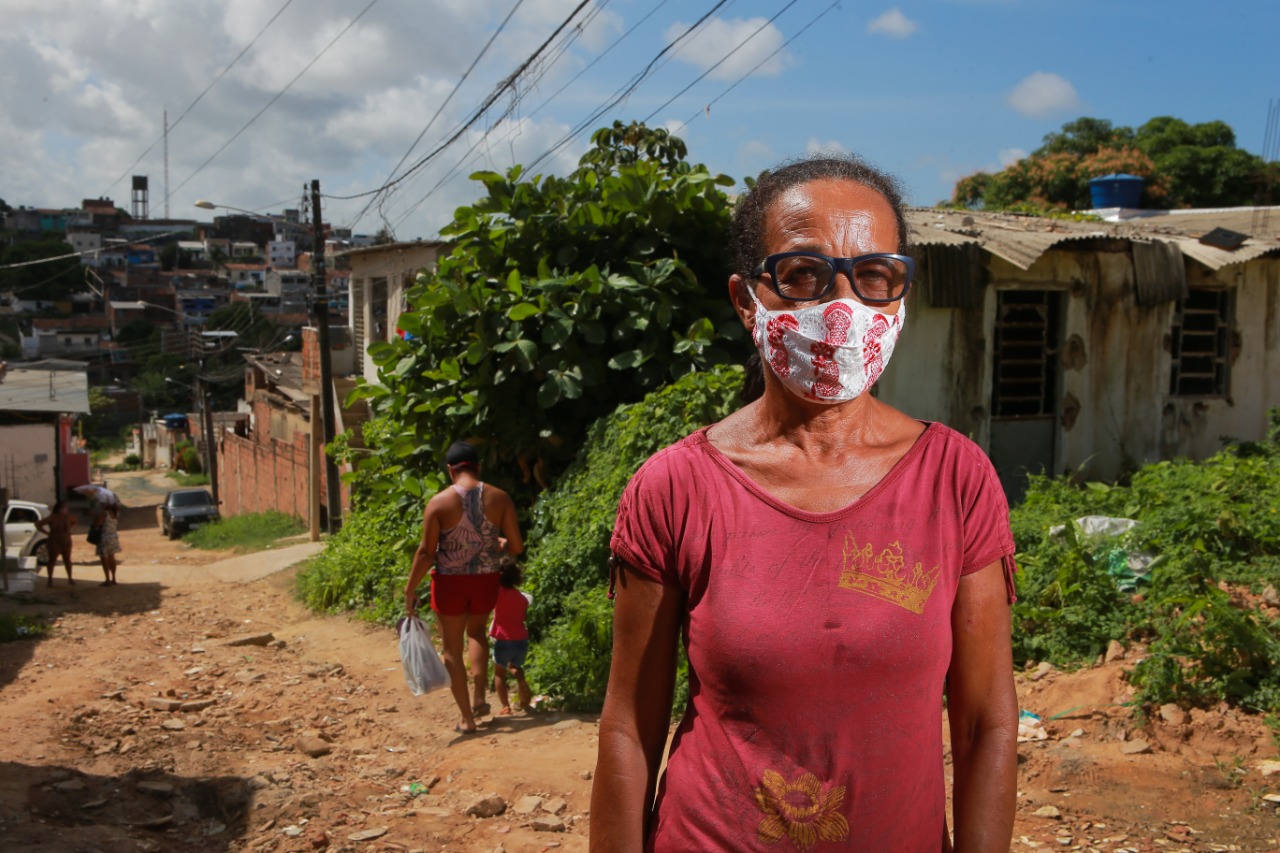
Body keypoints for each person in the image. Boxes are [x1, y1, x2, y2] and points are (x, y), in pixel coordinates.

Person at [590, 154, 1018, 852]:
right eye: (802, 274)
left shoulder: (957, 481)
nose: (841, 307)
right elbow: (627, 729)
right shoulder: (675, 488)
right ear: (744, 297)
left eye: (874, 275)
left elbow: (985, 725)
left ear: (900, 294)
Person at [404, 440, 524, 735]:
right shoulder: (501, 498)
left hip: (450, 583)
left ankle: (467, 718)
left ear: (450, 470)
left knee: (452, 650)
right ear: (478, 467)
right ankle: (481, 698)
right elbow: (517, 547)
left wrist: (410, 589)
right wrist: (497, 544)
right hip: (486, 580)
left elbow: (426, 552)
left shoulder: (439, 503)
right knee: (477, 633)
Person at [489, 558, 534, 716]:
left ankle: (505, 706)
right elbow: (524, 618)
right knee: (515, 666)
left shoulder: (497, 593)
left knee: (499, 673)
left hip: (504, 639)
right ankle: (521, 681)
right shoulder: (522, 598)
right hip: (521, 639)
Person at [34, 500, 77, 586]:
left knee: (67, 560)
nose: (66, 509)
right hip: (54, 540)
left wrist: (69, 529)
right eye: (64, 508)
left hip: (66, 541)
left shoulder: (68, 517)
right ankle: (50, 579)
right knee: (52, 561)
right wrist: (47, 533)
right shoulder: (52, 517)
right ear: (59, 509)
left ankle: (70, 578)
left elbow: (75, 521)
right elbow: (38, 524)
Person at [98, 503, 121, 586]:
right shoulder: (116, 513)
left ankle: (107, 579)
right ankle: (113, 578)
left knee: (104, 559)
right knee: (112, 558)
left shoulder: (104, 513)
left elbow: (98, 523)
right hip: (113, 537)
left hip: (105, 537)